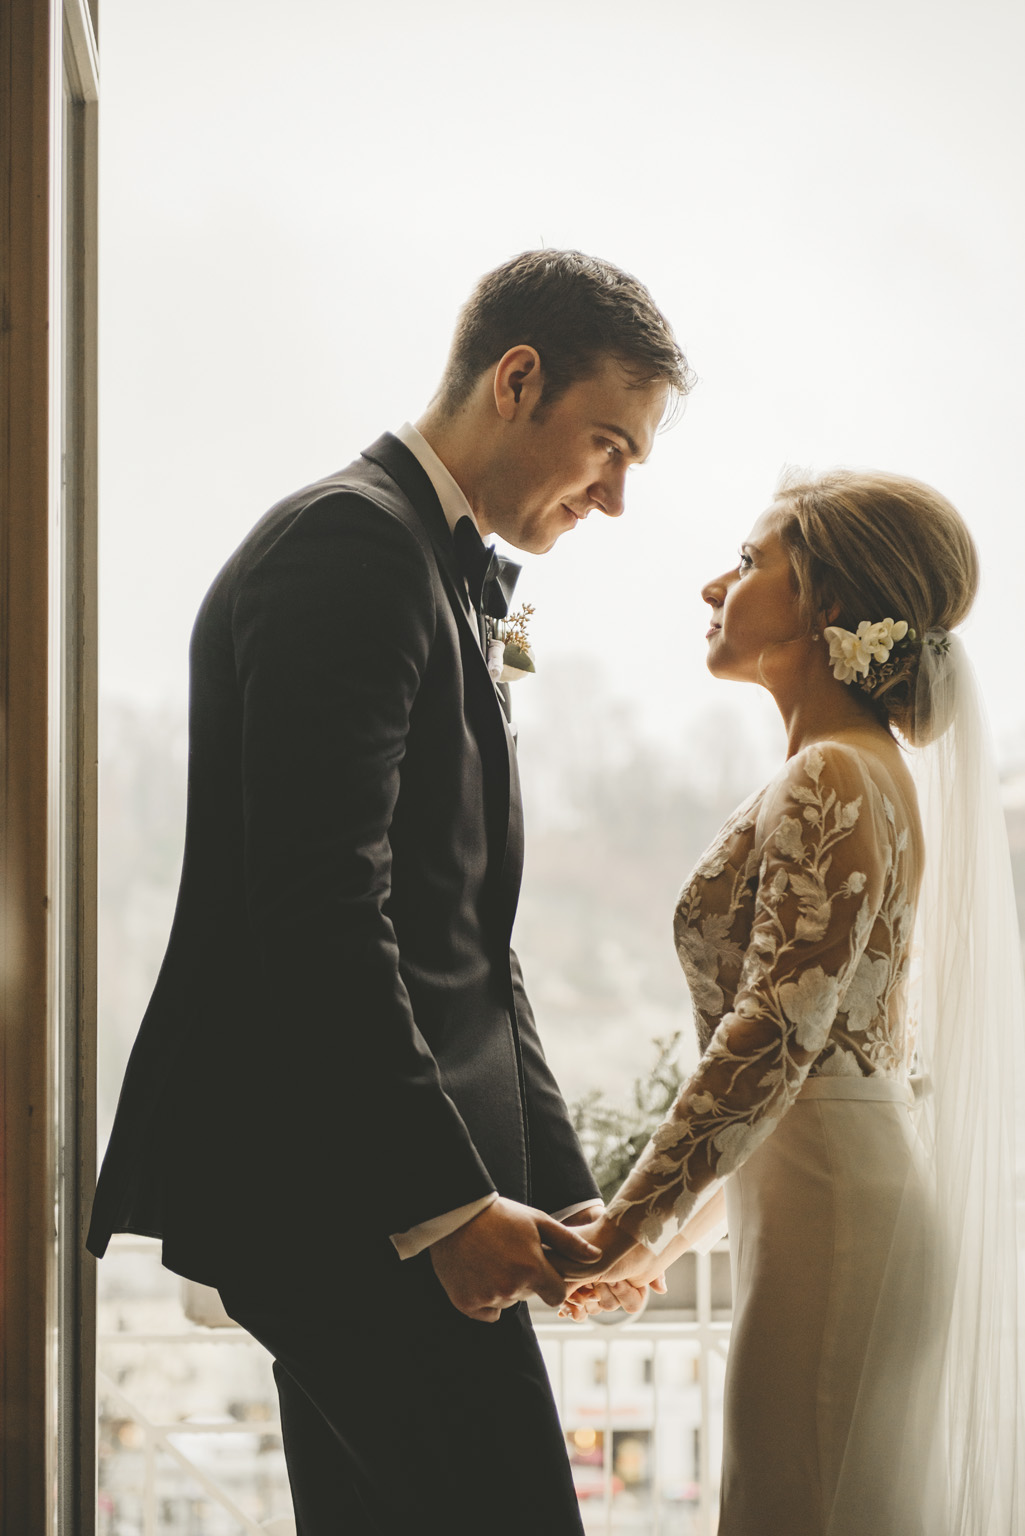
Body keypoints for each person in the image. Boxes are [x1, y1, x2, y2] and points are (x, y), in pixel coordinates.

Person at [87, 249, 691, 1534]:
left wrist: (561, 1183)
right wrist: (444, 1204)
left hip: (386, 1203)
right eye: (606, 444)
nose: (617, 496)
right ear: (515, 379)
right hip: (345, 1201)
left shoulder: (421, 561)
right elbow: (318, 915)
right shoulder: (351, 549)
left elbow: (470, 937)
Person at [560, 469, 1025, 1534]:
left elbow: (769, 1038)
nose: (712, 583)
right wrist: (657, 1248)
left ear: (821, 602)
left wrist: (626, 1220)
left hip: (833, 1226)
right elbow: (808, 1088)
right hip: (822, 1202)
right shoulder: (852, 770)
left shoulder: (832, 775)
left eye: (750, 558)